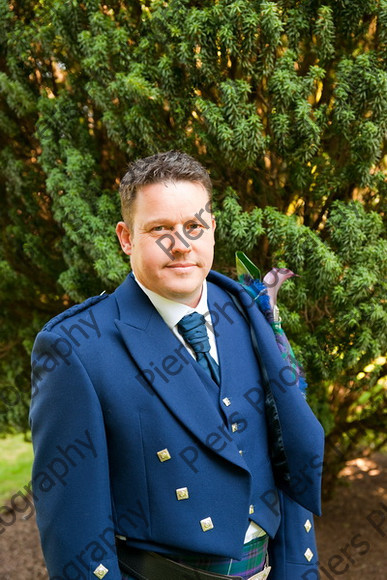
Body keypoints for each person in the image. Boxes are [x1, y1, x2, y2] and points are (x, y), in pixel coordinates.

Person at [30, 151, 324, 580]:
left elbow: (285, 454)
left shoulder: (246, 311)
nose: (181, 245)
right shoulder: (77, 348)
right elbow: (74, 524)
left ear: (212, 231)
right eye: (160, 230)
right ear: (126, 238)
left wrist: (298, 568)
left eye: (194, 227)